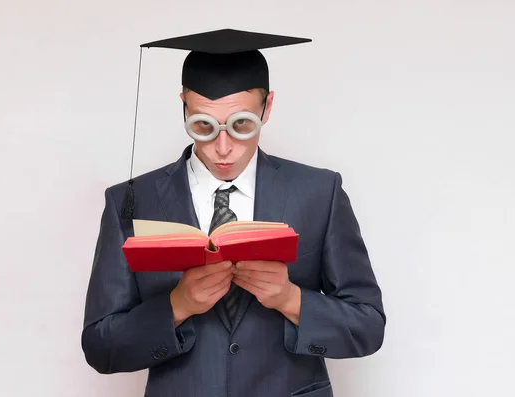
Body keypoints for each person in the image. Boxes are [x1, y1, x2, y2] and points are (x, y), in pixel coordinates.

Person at [81, 29, 385, 397]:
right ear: (184, 107)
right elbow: (100, 346)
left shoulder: (319, 193)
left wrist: (290, 299)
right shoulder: (130, 201)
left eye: (241, 125)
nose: (222, 148)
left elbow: (368, 327)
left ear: (267, 108)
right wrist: (176, 306)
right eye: (204, 126)